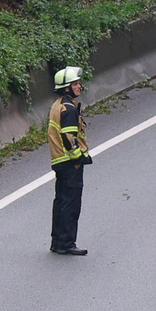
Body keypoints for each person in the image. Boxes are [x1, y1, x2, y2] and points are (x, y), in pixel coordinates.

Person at [46, 66, 91, 256]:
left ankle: (58, 242)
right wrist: (78, 158)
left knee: (61, 202)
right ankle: (66, 243)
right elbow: (69, 138)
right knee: (71, 205)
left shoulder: (58, 105)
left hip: (60, 162)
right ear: (66, 88)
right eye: (75, 84)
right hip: (70, 164)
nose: (79, 86)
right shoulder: (69, 109)